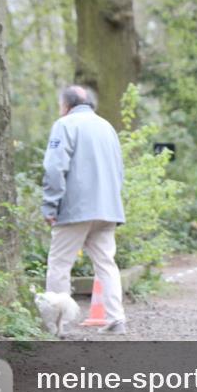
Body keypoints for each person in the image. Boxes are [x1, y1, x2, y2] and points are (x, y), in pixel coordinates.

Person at [42, 85, 127, 335]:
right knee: (106, 264)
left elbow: (55, 168)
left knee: (59, 264)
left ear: (65, 105)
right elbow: (119, 170)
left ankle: (57, 325)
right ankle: (116, 319)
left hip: (75, 208)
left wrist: (50, 204)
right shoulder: (107, 127)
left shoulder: (64, 125)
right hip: (108, 208)